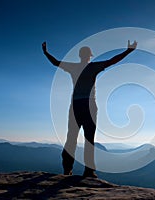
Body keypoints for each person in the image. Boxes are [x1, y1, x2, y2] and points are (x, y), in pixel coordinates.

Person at [42, 40, 137, 177]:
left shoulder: (73, 67)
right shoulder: (93, 67)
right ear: (89, 56)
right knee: (89, 139)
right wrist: (128, 51)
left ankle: (67, 169)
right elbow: (112, 61)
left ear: (80, 55)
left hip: (75, 105)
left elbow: (55, 62)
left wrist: (46, 53)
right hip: (89, 105)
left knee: (71, 138)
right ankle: (89, 171)